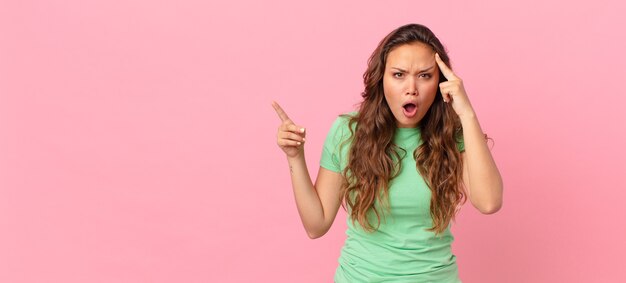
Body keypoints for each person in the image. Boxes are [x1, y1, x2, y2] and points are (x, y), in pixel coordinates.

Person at [272, 23, 503, 283]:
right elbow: (316, 225)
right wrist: (295, 157)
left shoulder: (453, 134)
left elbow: (489, 202)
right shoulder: (348, 132)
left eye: (425, 75)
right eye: (399, 74)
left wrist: (467, 113)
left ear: (442, 82)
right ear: (381, 79)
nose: (411, 88)